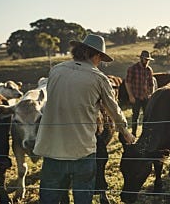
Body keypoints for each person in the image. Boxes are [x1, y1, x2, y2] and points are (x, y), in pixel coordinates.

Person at [33, 34, 135, 204]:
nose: (99, 62)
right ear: (96, 55)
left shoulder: (56, 70)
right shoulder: (99, 78)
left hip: (52, 148)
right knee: (82, 197)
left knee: (49, 197)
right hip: (82, 150)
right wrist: (125, 131)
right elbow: (113, 109)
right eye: (101, 58)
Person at [125, 50, 154, 136]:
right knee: (135, 116)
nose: (147, 61)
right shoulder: (133, 68)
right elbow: (127, 82)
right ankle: (134, 133)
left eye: (148, 60)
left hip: (146, 97)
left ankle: (145, 133)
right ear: (141, 58)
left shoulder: (149, 70)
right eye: (146, 59)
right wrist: (131, 96)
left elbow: (151, 84)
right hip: (136, 96)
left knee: (147, 116)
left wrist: (151, 94)